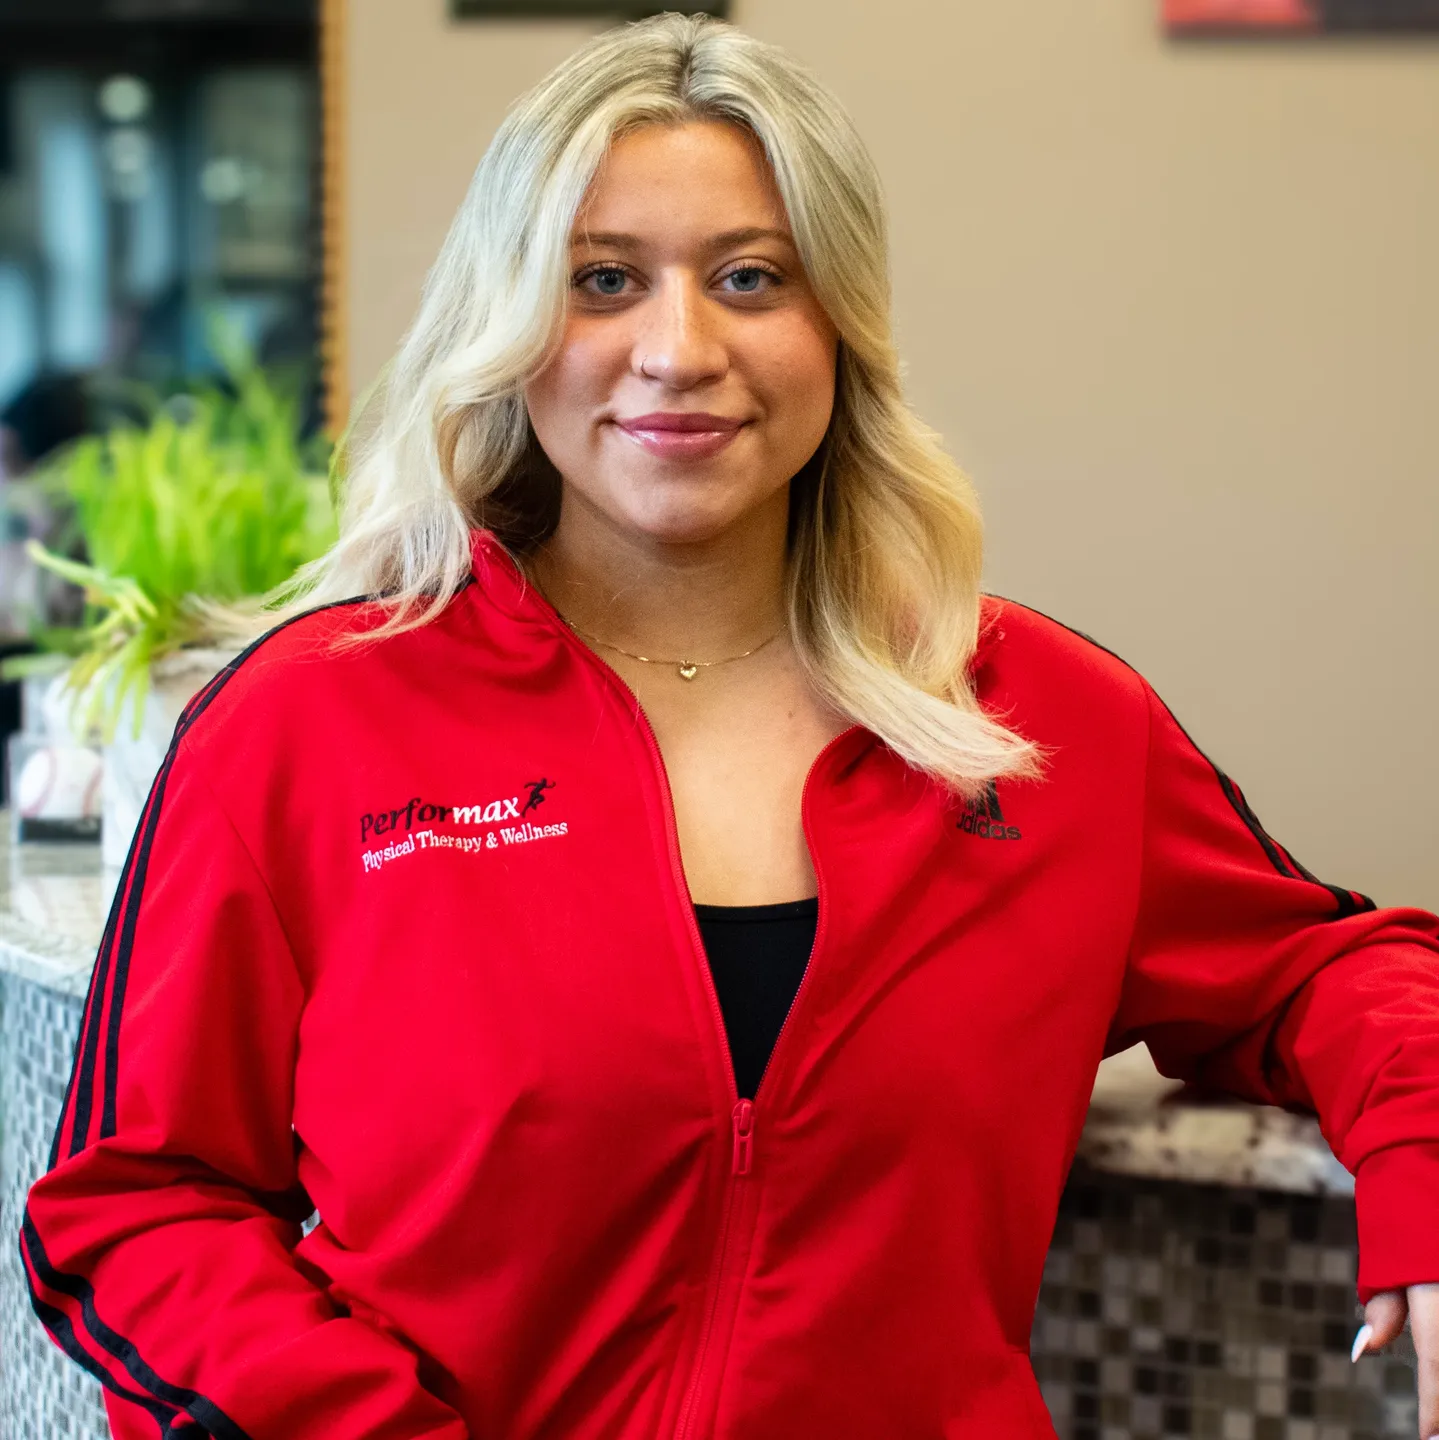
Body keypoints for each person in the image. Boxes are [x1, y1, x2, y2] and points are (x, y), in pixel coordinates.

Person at [20, 14, 1439, 1439]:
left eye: (750, 277)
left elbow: (1327, 967)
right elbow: (137, 1202)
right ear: (507, 326)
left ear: (841, 323)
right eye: (602, 281)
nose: (676, 350)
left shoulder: (1032, 722)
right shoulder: (313, 720)